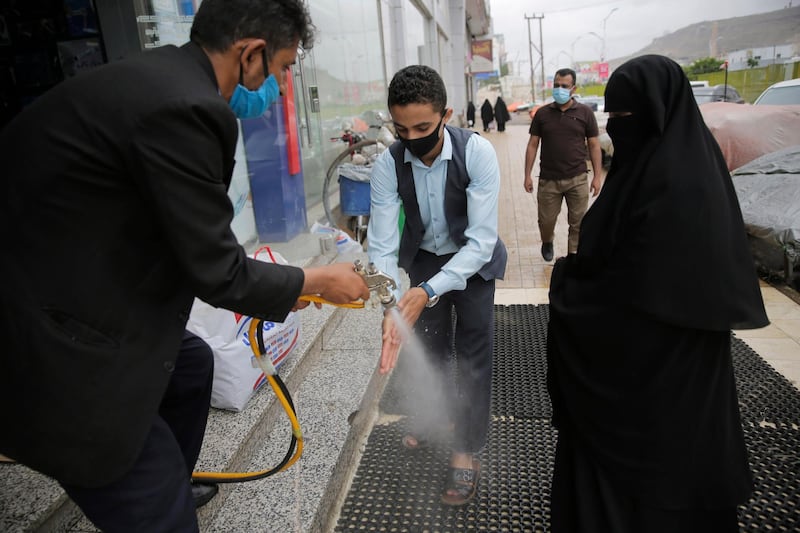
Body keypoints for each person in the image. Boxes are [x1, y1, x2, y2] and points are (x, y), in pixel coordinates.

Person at [0, 0, 370, 531]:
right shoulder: (187, 109)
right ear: (252, 54)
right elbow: (216, 271)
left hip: (64, 281)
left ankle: (168, 476)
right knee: (158, 512)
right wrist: (316, 280)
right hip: (45, 337)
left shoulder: (159, 80)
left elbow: (184, 239)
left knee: (191, 367)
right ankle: (152, 497)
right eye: (285, 69)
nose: (285, 88)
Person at [546, 54, 769, 533]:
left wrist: (568, 286)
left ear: (658, 112)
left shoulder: (679, 187)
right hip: (661, 372)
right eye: (612, 114)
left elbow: (644, 289)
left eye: (627, 115)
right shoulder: (664, 168)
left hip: (658, 375)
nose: (617, 126)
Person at [367, 65, 507, 506]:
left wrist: (427, 291)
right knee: (428, 346)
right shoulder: (388, 163)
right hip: (425, 258)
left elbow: (482, 240)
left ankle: (466, 450)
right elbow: (383, 245)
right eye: (401, 128)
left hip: (474, 262)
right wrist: (391, 303)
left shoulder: (477, 153)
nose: (412, 138)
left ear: (445, 114)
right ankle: (438, 417)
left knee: (472, 355)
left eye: (423, 127)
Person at [523, 68, 603, 261]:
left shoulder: (585, 113)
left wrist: (598, 177)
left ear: (573, 88)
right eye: (556, 85)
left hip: (577, 178)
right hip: (549, 180)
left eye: (564, 86)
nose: (560, 89)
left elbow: (594, 145)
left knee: (578, 222)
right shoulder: (542, 114)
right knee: (546, 221)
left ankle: (573, 257)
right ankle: (547, 241)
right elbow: (533, 144)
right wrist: (527, 175)